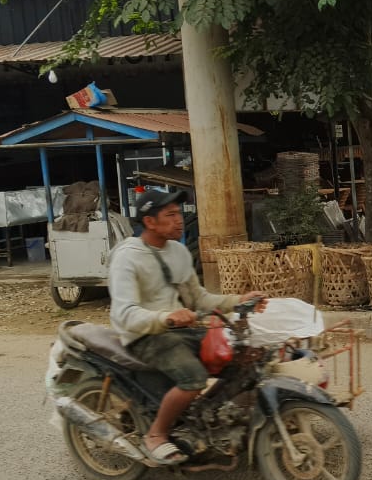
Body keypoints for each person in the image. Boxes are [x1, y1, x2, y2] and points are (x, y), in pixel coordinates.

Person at [108, 189, 267, 464]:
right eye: (170, 215)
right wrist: (166, 318)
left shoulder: (178, 251)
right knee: (193, 377)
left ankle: (208, 417)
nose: (179, 220)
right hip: (147, 335)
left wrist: (238, 300)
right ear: (150, 222)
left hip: (181, 329)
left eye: (179, 213)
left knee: (242, 358)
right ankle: (155, 435)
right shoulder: (127, 257)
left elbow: (200, 298)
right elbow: (125, 314)